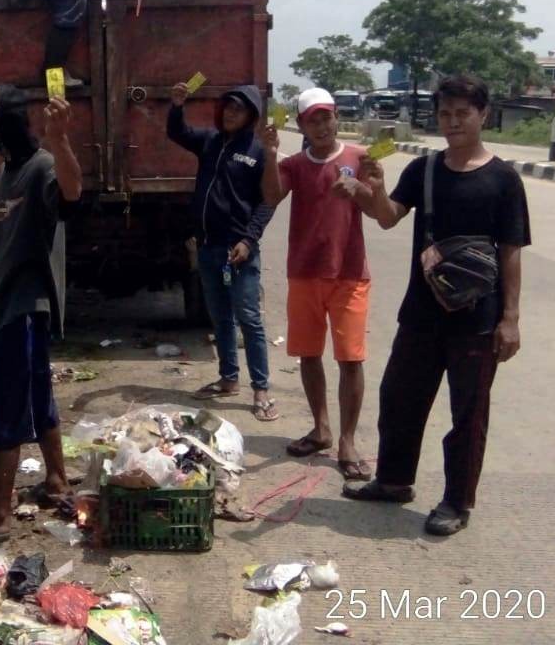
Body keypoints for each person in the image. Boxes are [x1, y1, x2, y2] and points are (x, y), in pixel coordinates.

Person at [345, 74, 530, 536]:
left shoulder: (503, 180)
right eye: (445, 114)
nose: (452, 122)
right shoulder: (423, 170)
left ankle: (456, 502)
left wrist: (510, 319)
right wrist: (373, 190)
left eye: (462, 114)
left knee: (467, 414)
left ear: (483, 115)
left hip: (477, 319)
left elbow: (510, 250)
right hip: (422, 314)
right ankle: (393, 481)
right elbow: (388, 218)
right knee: (399, 399)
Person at [0, 85, 82, 541]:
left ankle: (0, 512)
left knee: (7, 403)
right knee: (38, 391)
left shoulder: (41, 167)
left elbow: (73, 191)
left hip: (26, 307)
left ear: (7, 126)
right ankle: (56, 480)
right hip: (8, 300)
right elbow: (5, 224)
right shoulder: (9, 170)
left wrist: (61, 138)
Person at [260, 87, 374, 480]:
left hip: (349, 272)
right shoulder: (293, 163)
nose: (322, 125)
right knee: (309, 354)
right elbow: (271, 196)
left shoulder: (359, 158)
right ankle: (321, 428)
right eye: (313, 119)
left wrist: (364, 186)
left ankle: (347, 441)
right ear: (302, 124)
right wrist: (270, 154)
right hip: (305, 271)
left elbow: (380, 208)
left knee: (350, 359)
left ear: (337, 117)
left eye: (326, 117)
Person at [169, 82, 278, 421]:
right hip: (208, 248)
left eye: (239, 108)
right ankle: (228, 378)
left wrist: (248, 240)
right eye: (228, 106)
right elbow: (178, 132)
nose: (231, 112)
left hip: (239, 250)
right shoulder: (210, 142)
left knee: (249, 319)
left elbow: (267, 202)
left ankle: (261, 389)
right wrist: (176, 105)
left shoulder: (257, 151)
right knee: (220, 318)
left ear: (251, 116)